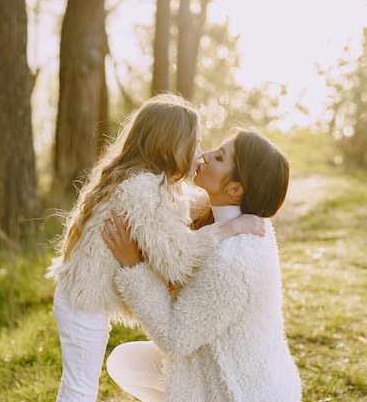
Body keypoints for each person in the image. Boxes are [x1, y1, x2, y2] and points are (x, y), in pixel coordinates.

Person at [46, 94, 262, 402]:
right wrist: (229, 227)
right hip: (82, 304)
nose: (201, 154)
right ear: (171, 146)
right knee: (79, 388)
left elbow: (184, 210)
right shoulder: (141, 189)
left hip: (82, 300)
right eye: (196, 143)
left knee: (81, 384)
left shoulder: (157, 183)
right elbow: (177, 259)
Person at [103, 128, 302, 401]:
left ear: (235, 188)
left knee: (129, 361)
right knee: (124, 360)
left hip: (238, 393)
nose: (205, 157)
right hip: (248, 375)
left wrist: (133, 265)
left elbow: (174, 339)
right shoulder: (231, 219)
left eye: (219, 157)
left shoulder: (233, 262)